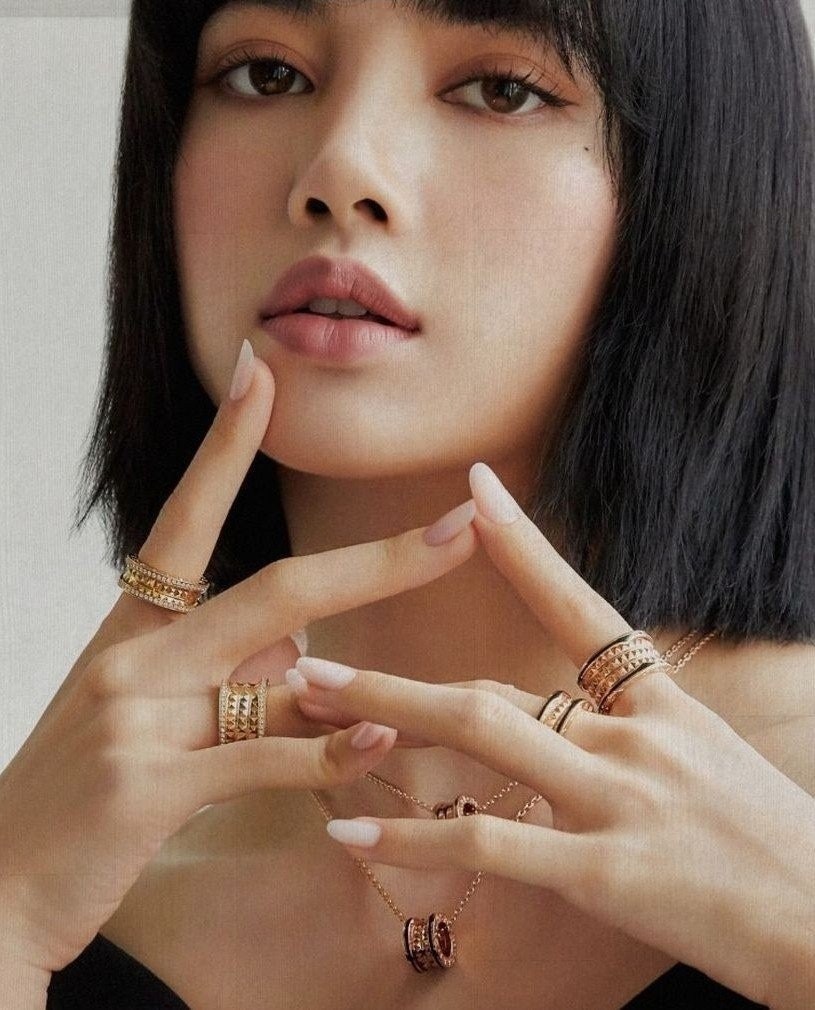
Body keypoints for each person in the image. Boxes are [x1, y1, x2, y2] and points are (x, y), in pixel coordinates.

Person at [1, 0, 813, 1006]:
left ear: (702, 175)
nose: (339, 167)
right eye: (266, 74)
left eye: (500, 89)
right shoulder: (70, 886)